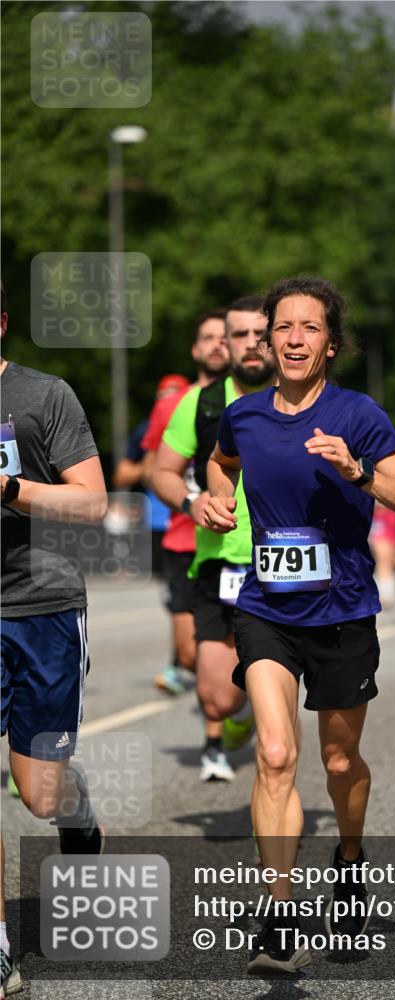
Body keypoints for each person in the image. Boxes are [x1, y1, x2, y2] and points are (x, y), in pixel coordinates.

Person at [204, 277, 395, 973]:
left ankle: (350, 861)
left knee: (337, 761)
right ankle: (278, 913)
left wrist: (357, 471)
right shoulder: (242, 416)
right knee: (274, 754)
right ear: (266, 340)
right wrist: (213, 503)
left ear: (331, 343)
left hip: (342, 611)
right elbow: (220, 465)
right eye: (283, 327)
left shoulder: (358, 414)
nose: (294, 338)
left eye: (309, 328)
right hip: (266, 606)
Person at [0, 282, 107, 996]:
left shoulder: (44, 397)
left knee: (38, 792)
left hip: (40, 606)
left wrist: (10, 491)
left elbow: (92, 501)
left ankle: (77, 807)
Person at [151, 296, 275, 782]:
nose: (249, 344)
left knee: (279, 704)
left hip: (285, 563)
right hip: (221, 566)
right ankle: (241, 714)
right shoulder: (200, 403)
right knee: (218, 697)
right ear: (225, 343)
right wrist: (190, 502)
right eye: (238, 335)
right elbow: (162, 471)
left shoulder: (302, 397)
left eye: (258, 334)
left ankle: (277, 807)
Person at [142, 310, 229, 696]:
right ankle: (230, 705)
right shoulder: (172, 405)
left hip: (232, 540)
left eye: (225, 337)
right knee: (191, 654)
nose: (217, 345)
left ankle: (233, 709)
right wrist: (186, 496)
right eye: (208, 338)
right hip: (182, 534)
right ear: (195, 349)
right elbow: (153, 466)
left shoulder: (255, 399)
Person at [112, 374, 189, 579]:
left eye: (173, 396)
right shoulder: (146, 429)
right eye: (162, 396)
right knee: (167, 589)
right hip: (156, 521)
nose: (166, 402)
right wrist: (150, 468)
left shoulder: (202, 422)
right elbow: (121, 476)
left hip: (191, 518)